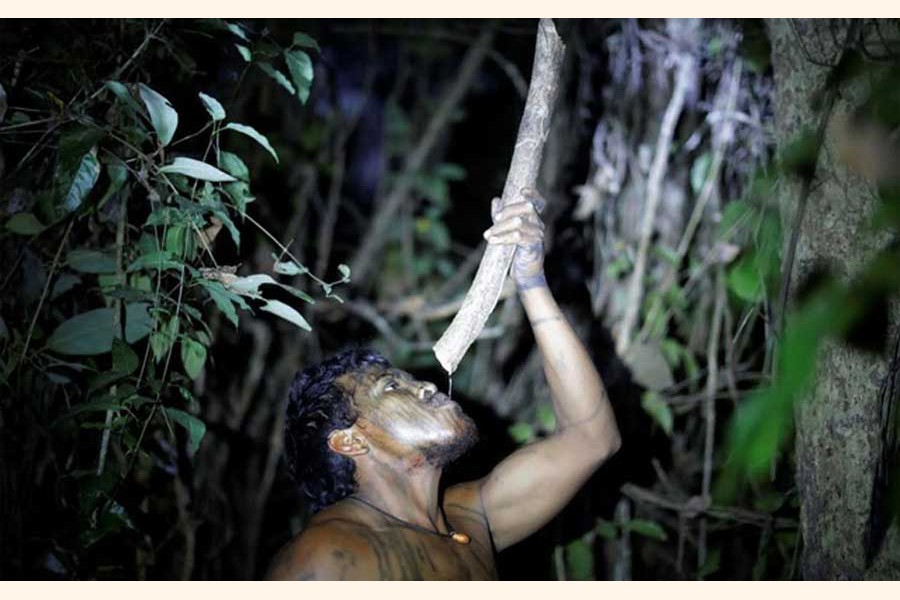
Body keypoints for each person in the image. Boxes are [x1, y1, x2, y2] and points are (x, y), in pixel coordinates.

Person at [266, 190, 621, 580]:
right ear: (350, 440)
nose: (424, 387)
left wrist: (531, 279)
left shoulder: (469, 517)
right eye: (389, 387)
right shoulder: (325, 556)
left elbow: (592, 438)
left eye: (408, 380)